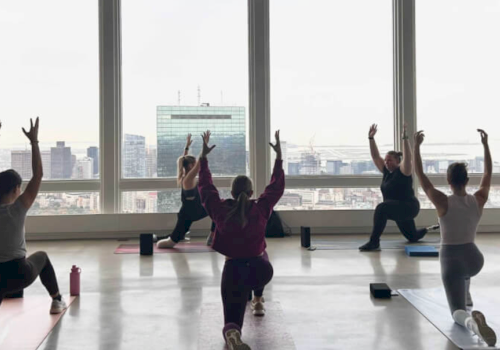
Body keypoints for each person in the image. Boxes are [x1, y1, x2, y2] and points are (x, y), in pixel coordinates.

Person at [198, 130, 284, 350]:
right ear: (252, 191)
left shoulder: (221, 210)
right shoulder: (261, 208)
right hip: (261, 271)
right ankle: (257, 300)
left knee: (232, 318)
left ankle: (233, 333)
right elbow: (275, 188)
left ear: (232, 192)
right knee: (262, 252)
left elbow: (206, 189)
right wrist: (278, 157)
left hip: (234, 271)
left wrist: (204, 158)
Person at [414, 128, 496, 347]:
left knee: (456, 312)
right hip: (475, 259)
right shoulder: (478, 199)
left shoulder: (443, 201)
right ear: (467, 180)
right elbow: (488, 174)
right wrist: (486, 145)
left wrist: (416, 147)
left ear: (448, 179)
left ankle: (472, 324)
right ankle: (467, 296)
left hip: (452, 260)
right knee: (464, 276)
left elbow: (421, 178)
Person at [0, 118, 67, 313]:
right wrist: (34, 141)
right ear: (16, 190)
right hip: (19, 274)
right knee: (42, 258)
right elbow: (38, 175)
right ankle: (56, 301)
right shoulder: (17, 209)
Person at [359, 124, 439, 251]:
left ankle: (374, 242)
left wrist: (405, 138)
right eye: (385, 160)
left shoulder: (404, 171)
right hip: (396, 208)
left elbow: (408, 158)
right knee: (412, 237)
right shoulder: (386, 172)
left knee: (381, 208)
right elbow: (375, 156)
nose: (386, 162)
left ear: (397, 161)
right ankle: (434, 227)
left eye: (390, 160)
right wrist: (371, 138)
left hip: (408, 207)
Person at [157, 133, 216, 248]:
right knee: (165, 244)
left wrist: (187, 147)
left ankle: (212, 237)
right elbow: (199, 165)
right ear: (190, 166)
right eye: (193, 163)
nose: (195, 165)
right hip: (188, 215)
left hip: (197, 209)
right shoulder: (187, 180)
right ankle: (162, 238)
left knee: (217, 208)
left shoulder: (187, 175)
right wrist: (204, 151)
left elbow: (184, 160)